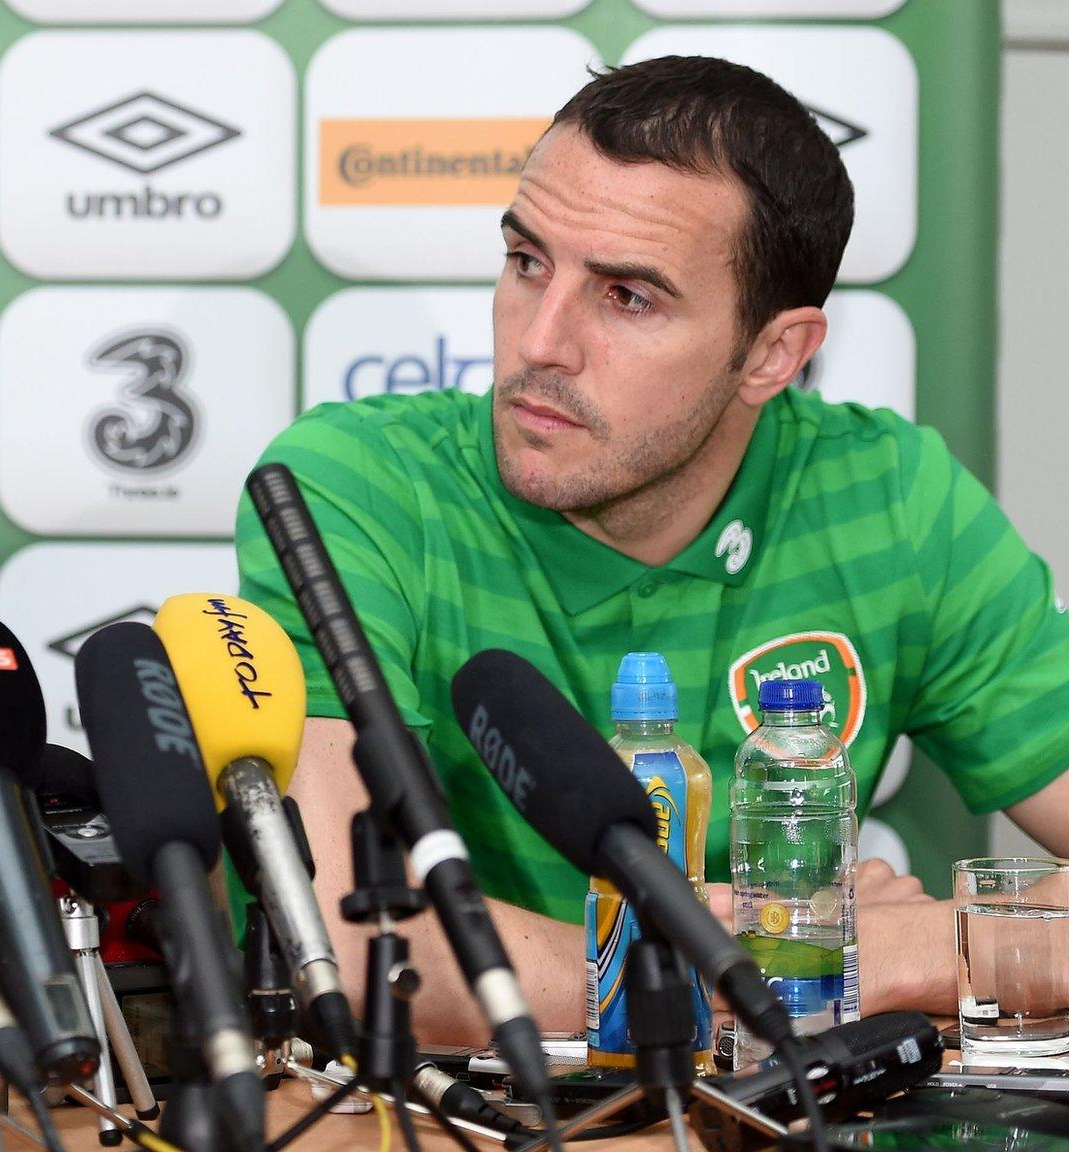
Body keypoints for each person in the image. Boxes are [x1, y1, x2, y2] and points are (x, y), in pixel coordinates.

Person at [235, 55, 1069, 1044]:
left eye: (626, 296)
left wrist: (918, 947)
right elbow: (363, 949)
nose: (540, 340)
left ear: (772, 354)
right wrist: (840, 955)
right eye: (526, 262)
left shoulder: (891, 498)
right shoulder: (354, 488)